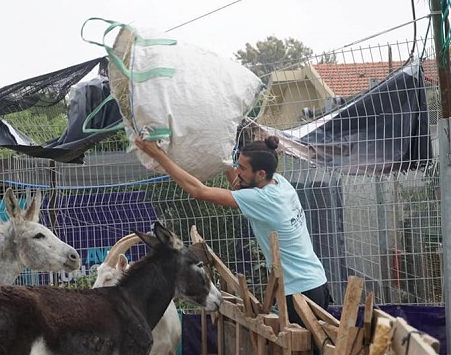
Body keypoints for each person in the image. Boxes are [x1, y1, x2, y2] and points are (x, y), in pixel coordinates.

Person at [134, 135, 330, 325]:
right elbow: (239, 190)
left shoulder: (263, 200)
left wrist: (159, 155)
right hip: (316, 281)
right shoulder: (279, 183)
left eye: (242, 168)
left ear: (260, 174)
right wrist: (223, 158)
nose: (237, 171)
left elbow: (199, 191)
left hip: (299, 293)